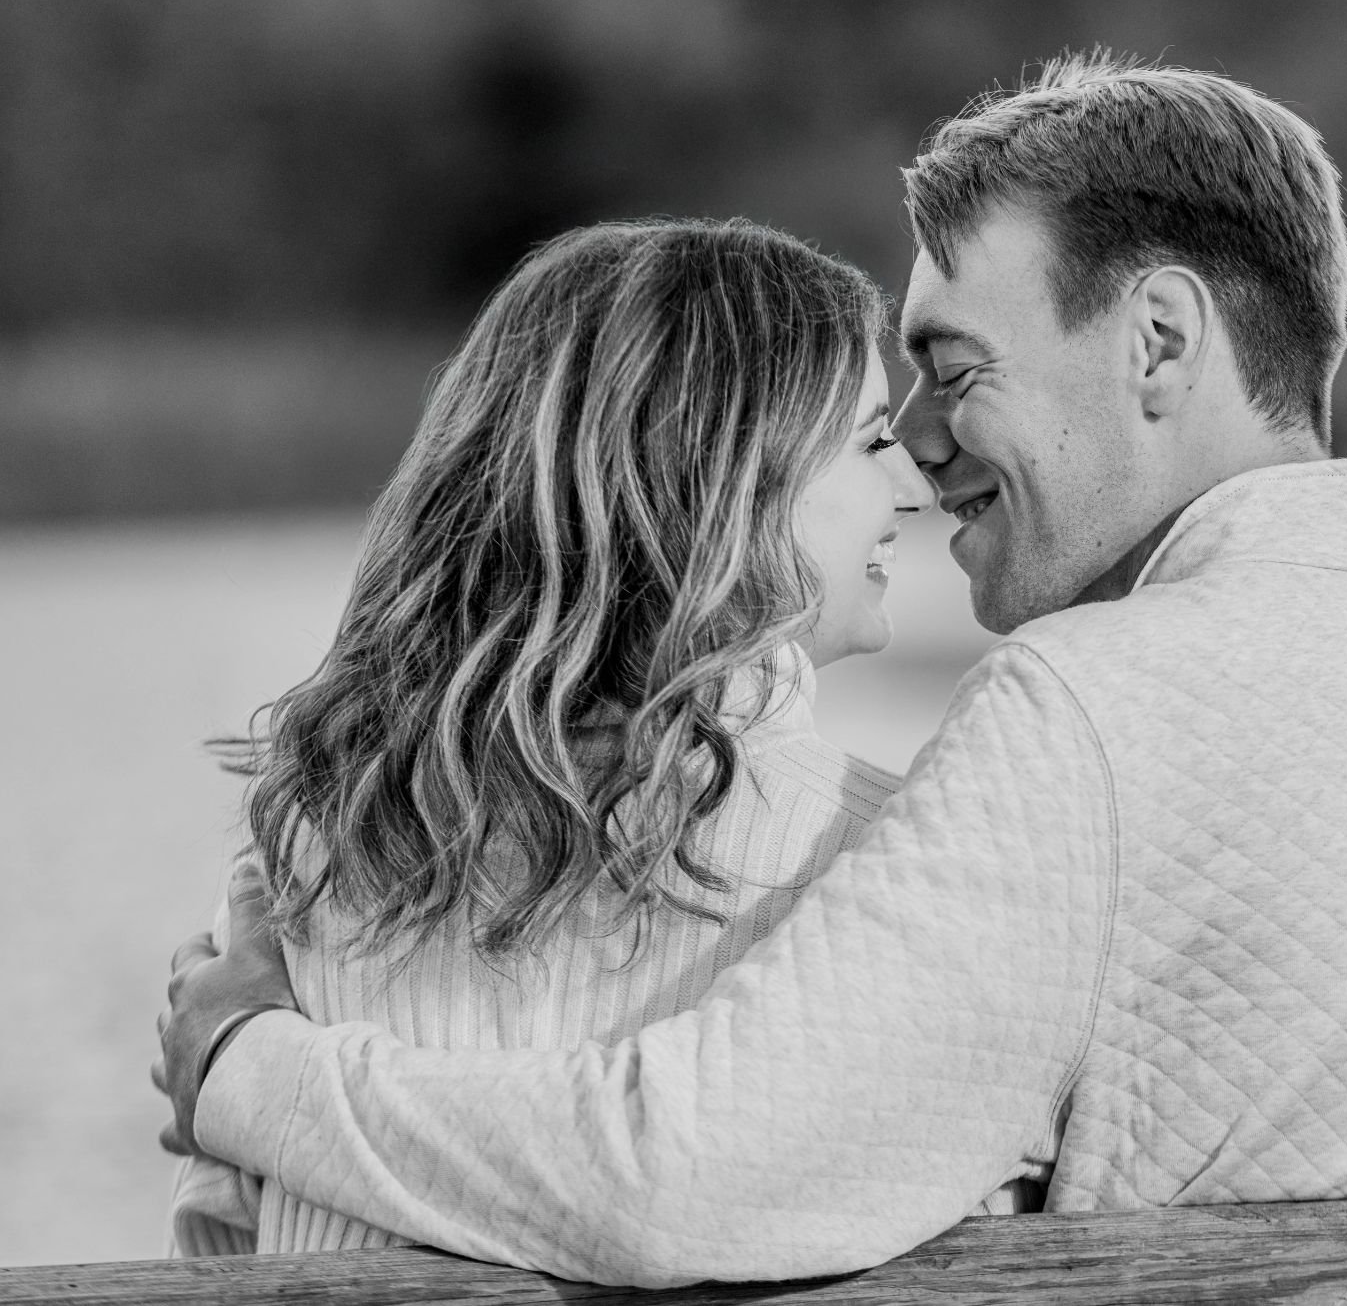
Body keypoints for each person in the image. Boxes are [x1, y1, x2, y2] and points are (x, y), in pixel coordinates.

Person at [159, 54, 1347, 1288]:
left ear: (1158, 342)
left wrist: (249, 1068)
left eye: (952, 367)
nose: (917, 444)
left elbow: (688, 1171)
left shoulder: (1098, 714)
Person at [159, 217, 948, 1255]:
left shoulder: (313, 835)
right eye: (872, 440)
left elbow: (219, 1237)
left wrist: (246, 1067)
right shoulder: (886, 854)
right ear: (722, 478)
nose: (914, 486)